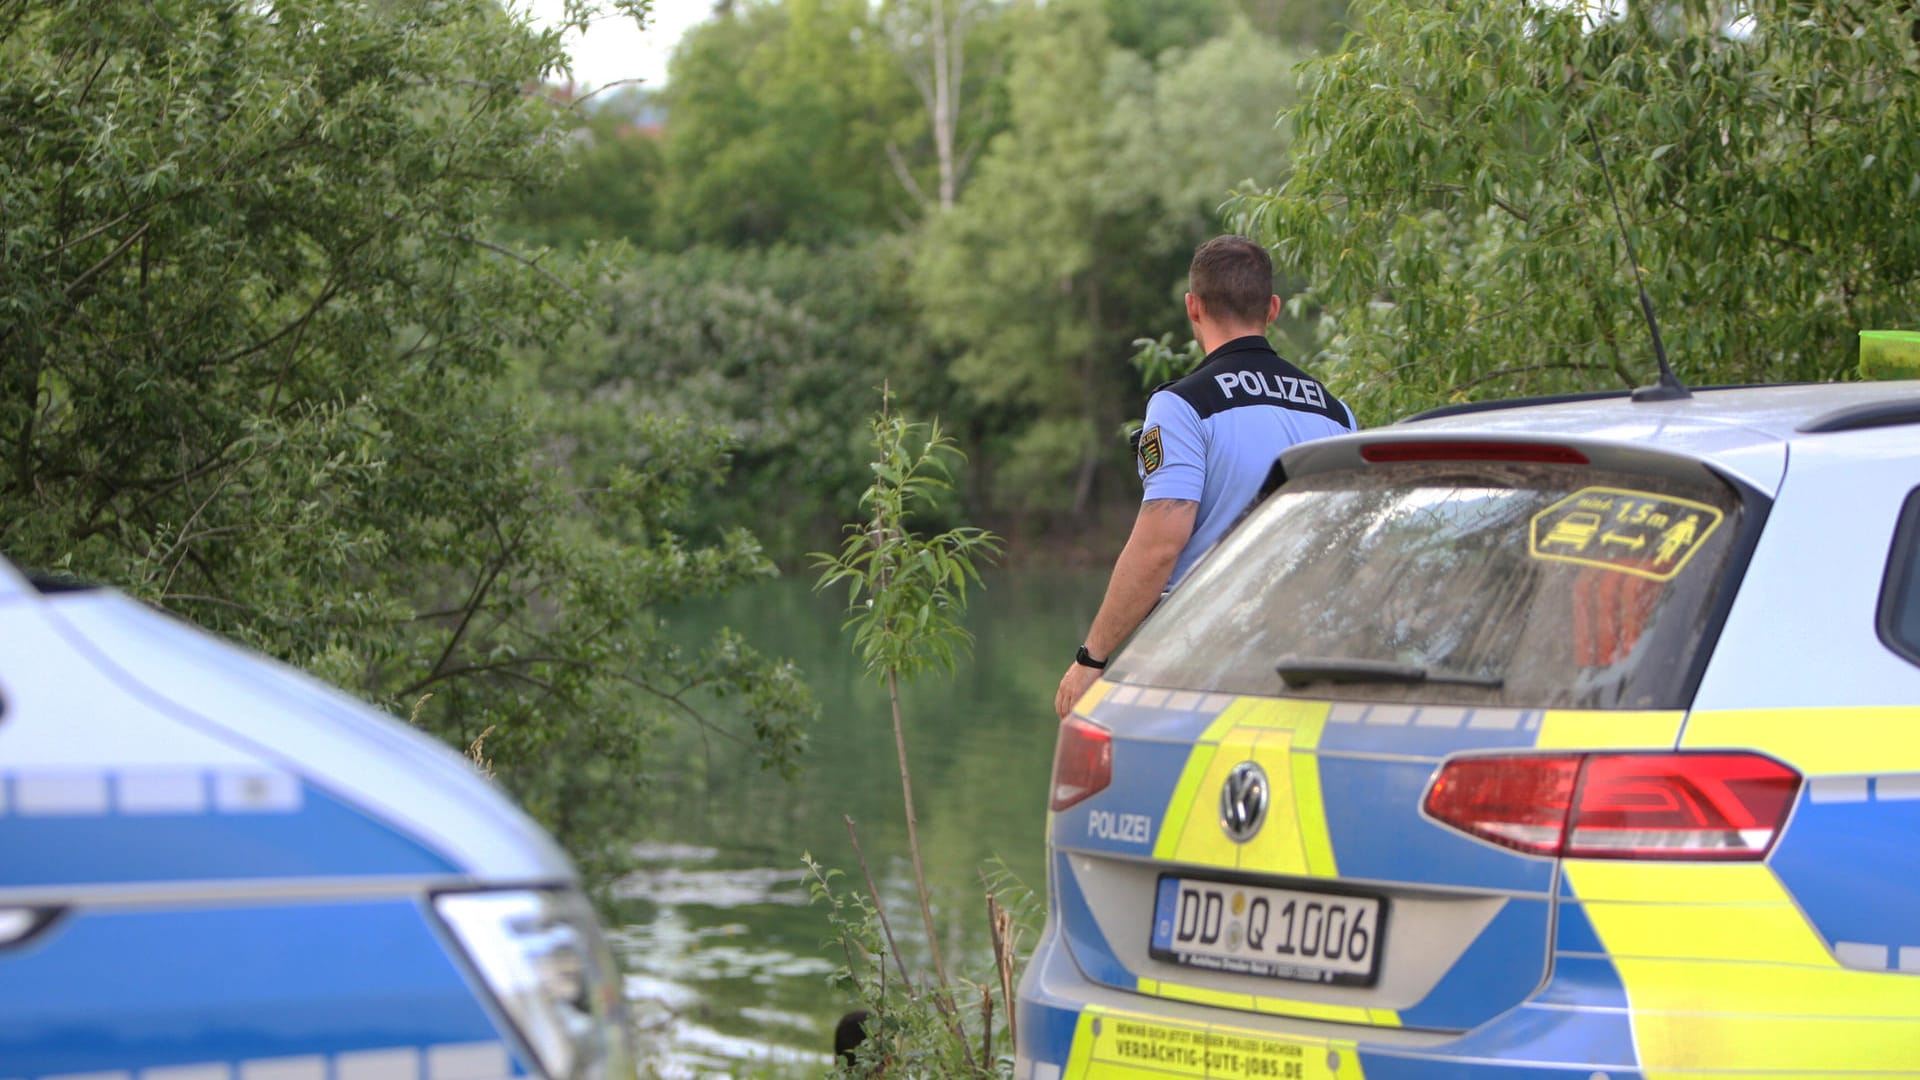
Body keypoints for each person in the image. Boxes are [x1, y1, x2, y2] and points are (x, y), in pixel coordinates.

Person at [1053, 235, 1355, 720]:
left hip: (1209, 661)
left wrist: (1092, 657)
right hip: (1315, 656)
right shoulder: (1336, 413)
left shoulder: (1181, 407)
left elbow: (1160, 545)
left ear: (1193, 307)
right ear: (1272, 308)